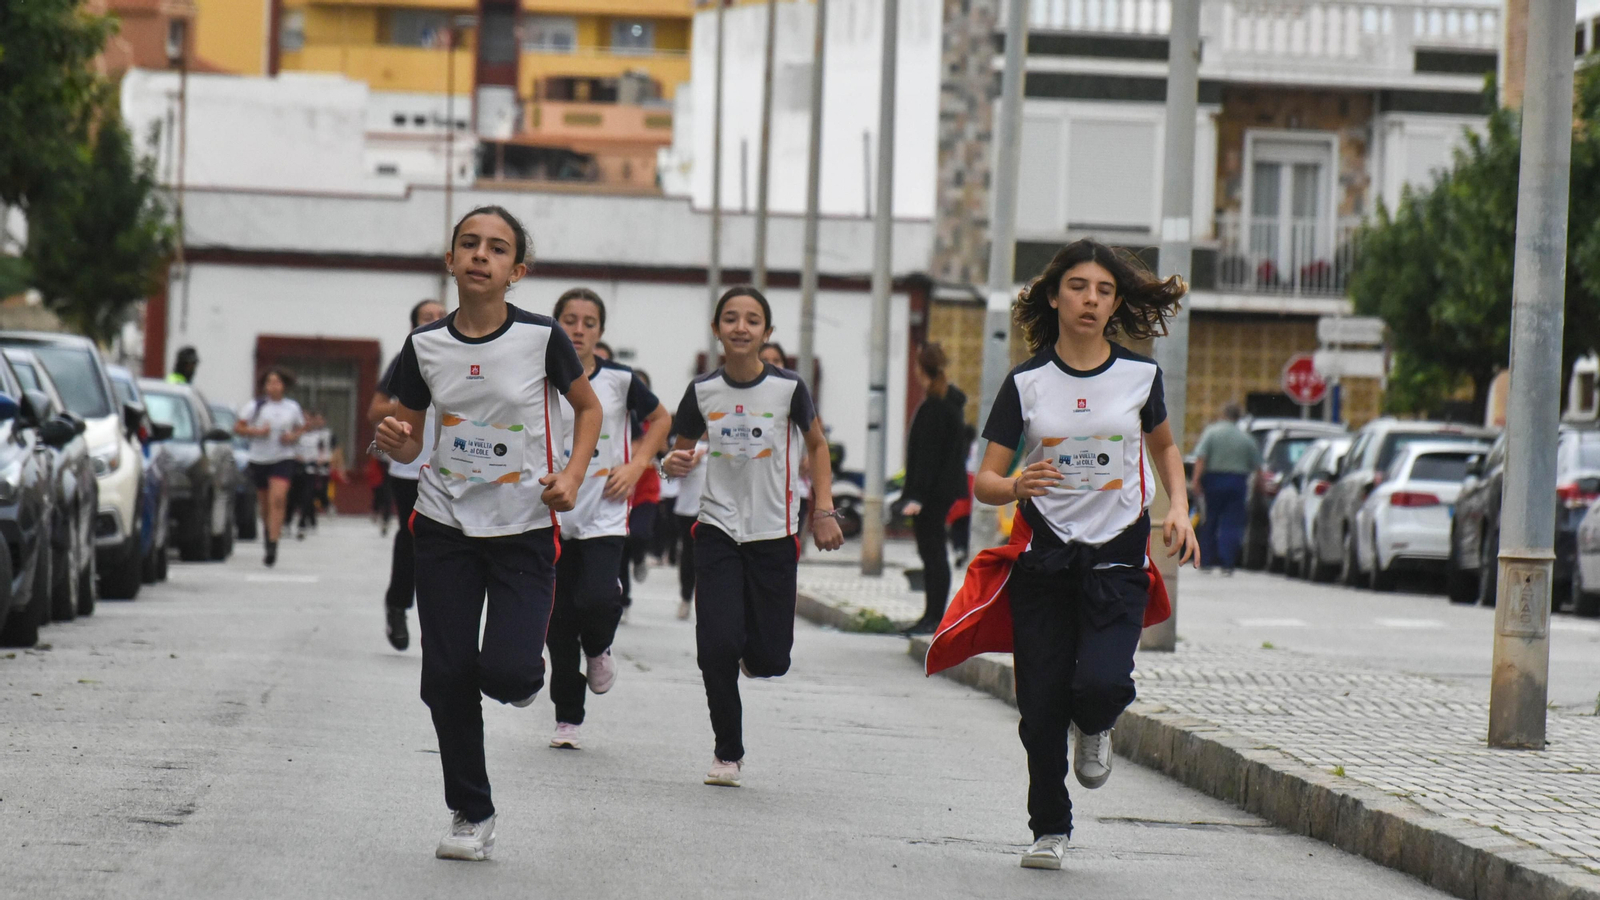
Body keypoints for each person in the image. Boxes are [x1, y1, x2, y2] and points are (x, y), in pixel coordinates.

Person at [374, 205, 602, 862]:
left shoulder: (541, 338)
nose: (480, 255)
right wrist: (395, 437)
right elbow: (410, 433)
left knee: (505, 673)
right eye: (468, 244)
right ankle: (471, 812)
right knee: (444, 674)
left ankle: (520, 673)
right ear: (450, 261)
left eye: (496, 249)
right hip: (443, 525)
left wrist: (573, 473)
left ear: (516, 271)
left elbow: (586, 410)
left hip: (524, 528)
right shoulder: (425, 347)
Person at [971, 239, 1198, 870]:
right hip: (1044, 564)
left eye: (1103, 290)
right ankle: (1049, 828)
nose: (1091, 299)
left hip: (1117, 560)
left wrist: (1177, 507)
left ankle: (1096, 722)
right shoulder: (1026, 383)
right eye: (1078, 287)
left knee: (1101, 683)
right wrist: (1016, 484)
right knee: (1039, 712)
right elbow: (985, 480)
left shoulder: (1140, 377)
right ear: (1054, 296)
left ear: (1115, 301)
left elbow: (1166, 451)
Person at [662, 285, 845, 788]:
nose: (741, 327)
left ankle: (751, 653)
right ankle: (727, 751)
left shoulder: (788, 389)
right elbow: (677, 453)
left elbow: (818, 444)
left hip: (774, 532)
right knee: (715, 645)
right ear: (718, 329)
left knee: (770, 660)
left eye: (752, 320)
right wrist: (670, 462)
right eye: (731, 319)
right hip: (718, 529)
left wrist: (823, 511)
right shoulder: (702, 391)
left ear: (766, 332)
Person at [546, 287, 670, 751]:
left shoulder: (619, 380)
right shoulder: (538, 374)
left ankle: (599, 647)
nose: (578, 330)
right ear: (555, 323)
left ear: (600, 331)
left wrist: (637, 465)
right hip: (551, 517)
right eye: (570, 320)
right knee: (558, 622)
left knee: (597, 600)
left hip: (605, 514)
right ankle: (567, 718)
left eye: (589, 322)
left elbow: (660, 419)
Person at [370, 298, 448, 651]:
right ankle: (398, 605)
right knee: (412, 536)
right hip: (408, 466)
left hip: (454, 464)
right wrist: (414, 403)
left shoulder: (459, 353)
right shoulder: (408, 357)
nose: (435, 320)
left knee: (445, 543)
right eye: (427, 317)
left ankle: (446, 622)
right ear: (414, 325)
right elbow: (375, 409)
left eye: (440, 316)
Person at [899, 344, 970, 635]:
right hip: (942, 491)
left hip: (932, 494)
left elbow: (926, 457)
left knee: (933, 552)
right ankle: (932, 615)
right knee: (933, 552)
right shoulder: (946, 402)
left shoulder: (935, 406)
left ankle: (934, 617)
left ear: (920, 368)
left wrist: (916, 496)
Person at [234, 368, 307, 567]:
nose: (273, 386)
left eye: (277, 382)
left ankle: (274, 544)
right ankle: (268, 534)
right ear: (265, 386)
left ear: (283, 385)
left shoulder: (292, 407)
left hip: (283, 458)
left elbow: (301, 427)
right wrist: (257, 431)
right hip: (259, 459)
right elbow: (238, 428)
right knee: (265, 504)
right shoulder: (256, 406)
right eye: (269, 382)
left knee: (278, 498)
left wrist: (292, 437)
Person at [1189, 402, 1261, 575]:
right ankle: (1227, 563)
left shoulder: (1211, 433)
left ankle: (1206, 561)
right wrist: (1260, 488)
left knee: (1210, 520)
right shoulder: (1246, 438)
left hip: (1213, 480)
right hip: (1237, 481)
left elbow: (1201, 458)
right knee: (1232, 523)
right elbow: (1257, 467)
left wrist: (1196, 480)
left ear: (1223, 414)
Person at [670, 438, 709, 621]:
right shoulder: (690, 444)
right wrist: (694, 460)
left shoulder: (723, 444)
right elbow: (672, 472)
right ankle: (686, 598)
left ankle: (707, 602)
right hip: (687, 509)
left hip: (713, 512)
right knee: (689, 555)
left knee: (710, 558)